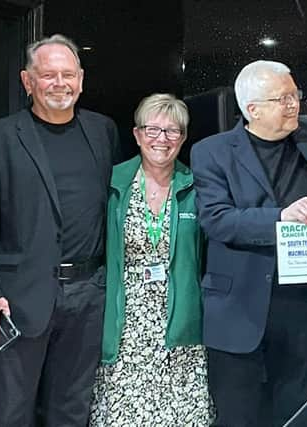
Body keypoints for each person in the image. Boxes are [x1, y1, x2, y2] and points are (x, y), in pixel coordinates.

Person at [0, 34, 118, 426]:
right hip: (16, 301)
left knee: (71, 411)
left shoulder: (103, 131)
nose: (59, 83)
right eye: (48, 74)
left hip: (88, 297)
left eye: (68, 74)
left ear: (81, 80)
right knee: (9, 413)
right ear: (27, 81)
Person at [190, 60, 307, 427]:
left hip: (303, 305)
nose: (294, 105)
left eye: (294, 95)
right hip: (237, 309)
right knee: (239, 417)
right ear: (251, 109)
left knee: (299, 416)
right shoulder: (212, 151)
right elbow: (217, 219)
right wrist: (280, 217)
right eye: (282, 98)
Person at [89, 93, 214, 425]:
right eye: (153, 130)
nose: (162, 139)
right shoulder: (112, 183)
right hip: (124, 324)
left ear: (184, 138)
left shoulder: (196, 186)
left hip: (179, 324)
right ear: (137, 134)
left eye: (173, 131)